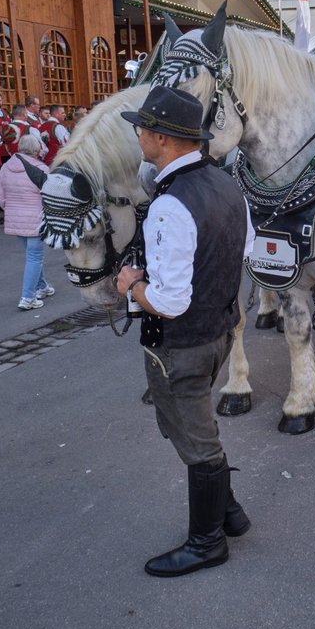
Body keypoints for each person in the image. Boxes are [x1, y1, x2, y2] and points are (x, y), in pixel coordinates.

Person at [115, 86, 254, 578]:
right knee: (196, 431)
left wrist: (133, 285)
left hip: (182, 345)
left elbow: (170, 302)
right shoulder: (226, 183)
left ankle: (206, 542)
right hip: (217, 332)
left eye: (142, 129)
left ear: (160, 137)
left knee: (195, 441)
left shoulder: (170, 203)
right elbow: (244, 247)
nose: (138, 136)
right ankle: (229, 513)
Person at [0, 134, 54, 310]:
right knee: (34, 257)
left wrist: (9, 209)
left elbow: (0, 195)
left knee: (31, 256)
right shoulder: (41, 168)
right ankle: (27, 297)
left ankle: (41, 286)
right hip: (36, 217)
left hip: (15, 216)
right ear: (37, 150)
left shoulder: (6, 167)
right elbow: (49, 196)